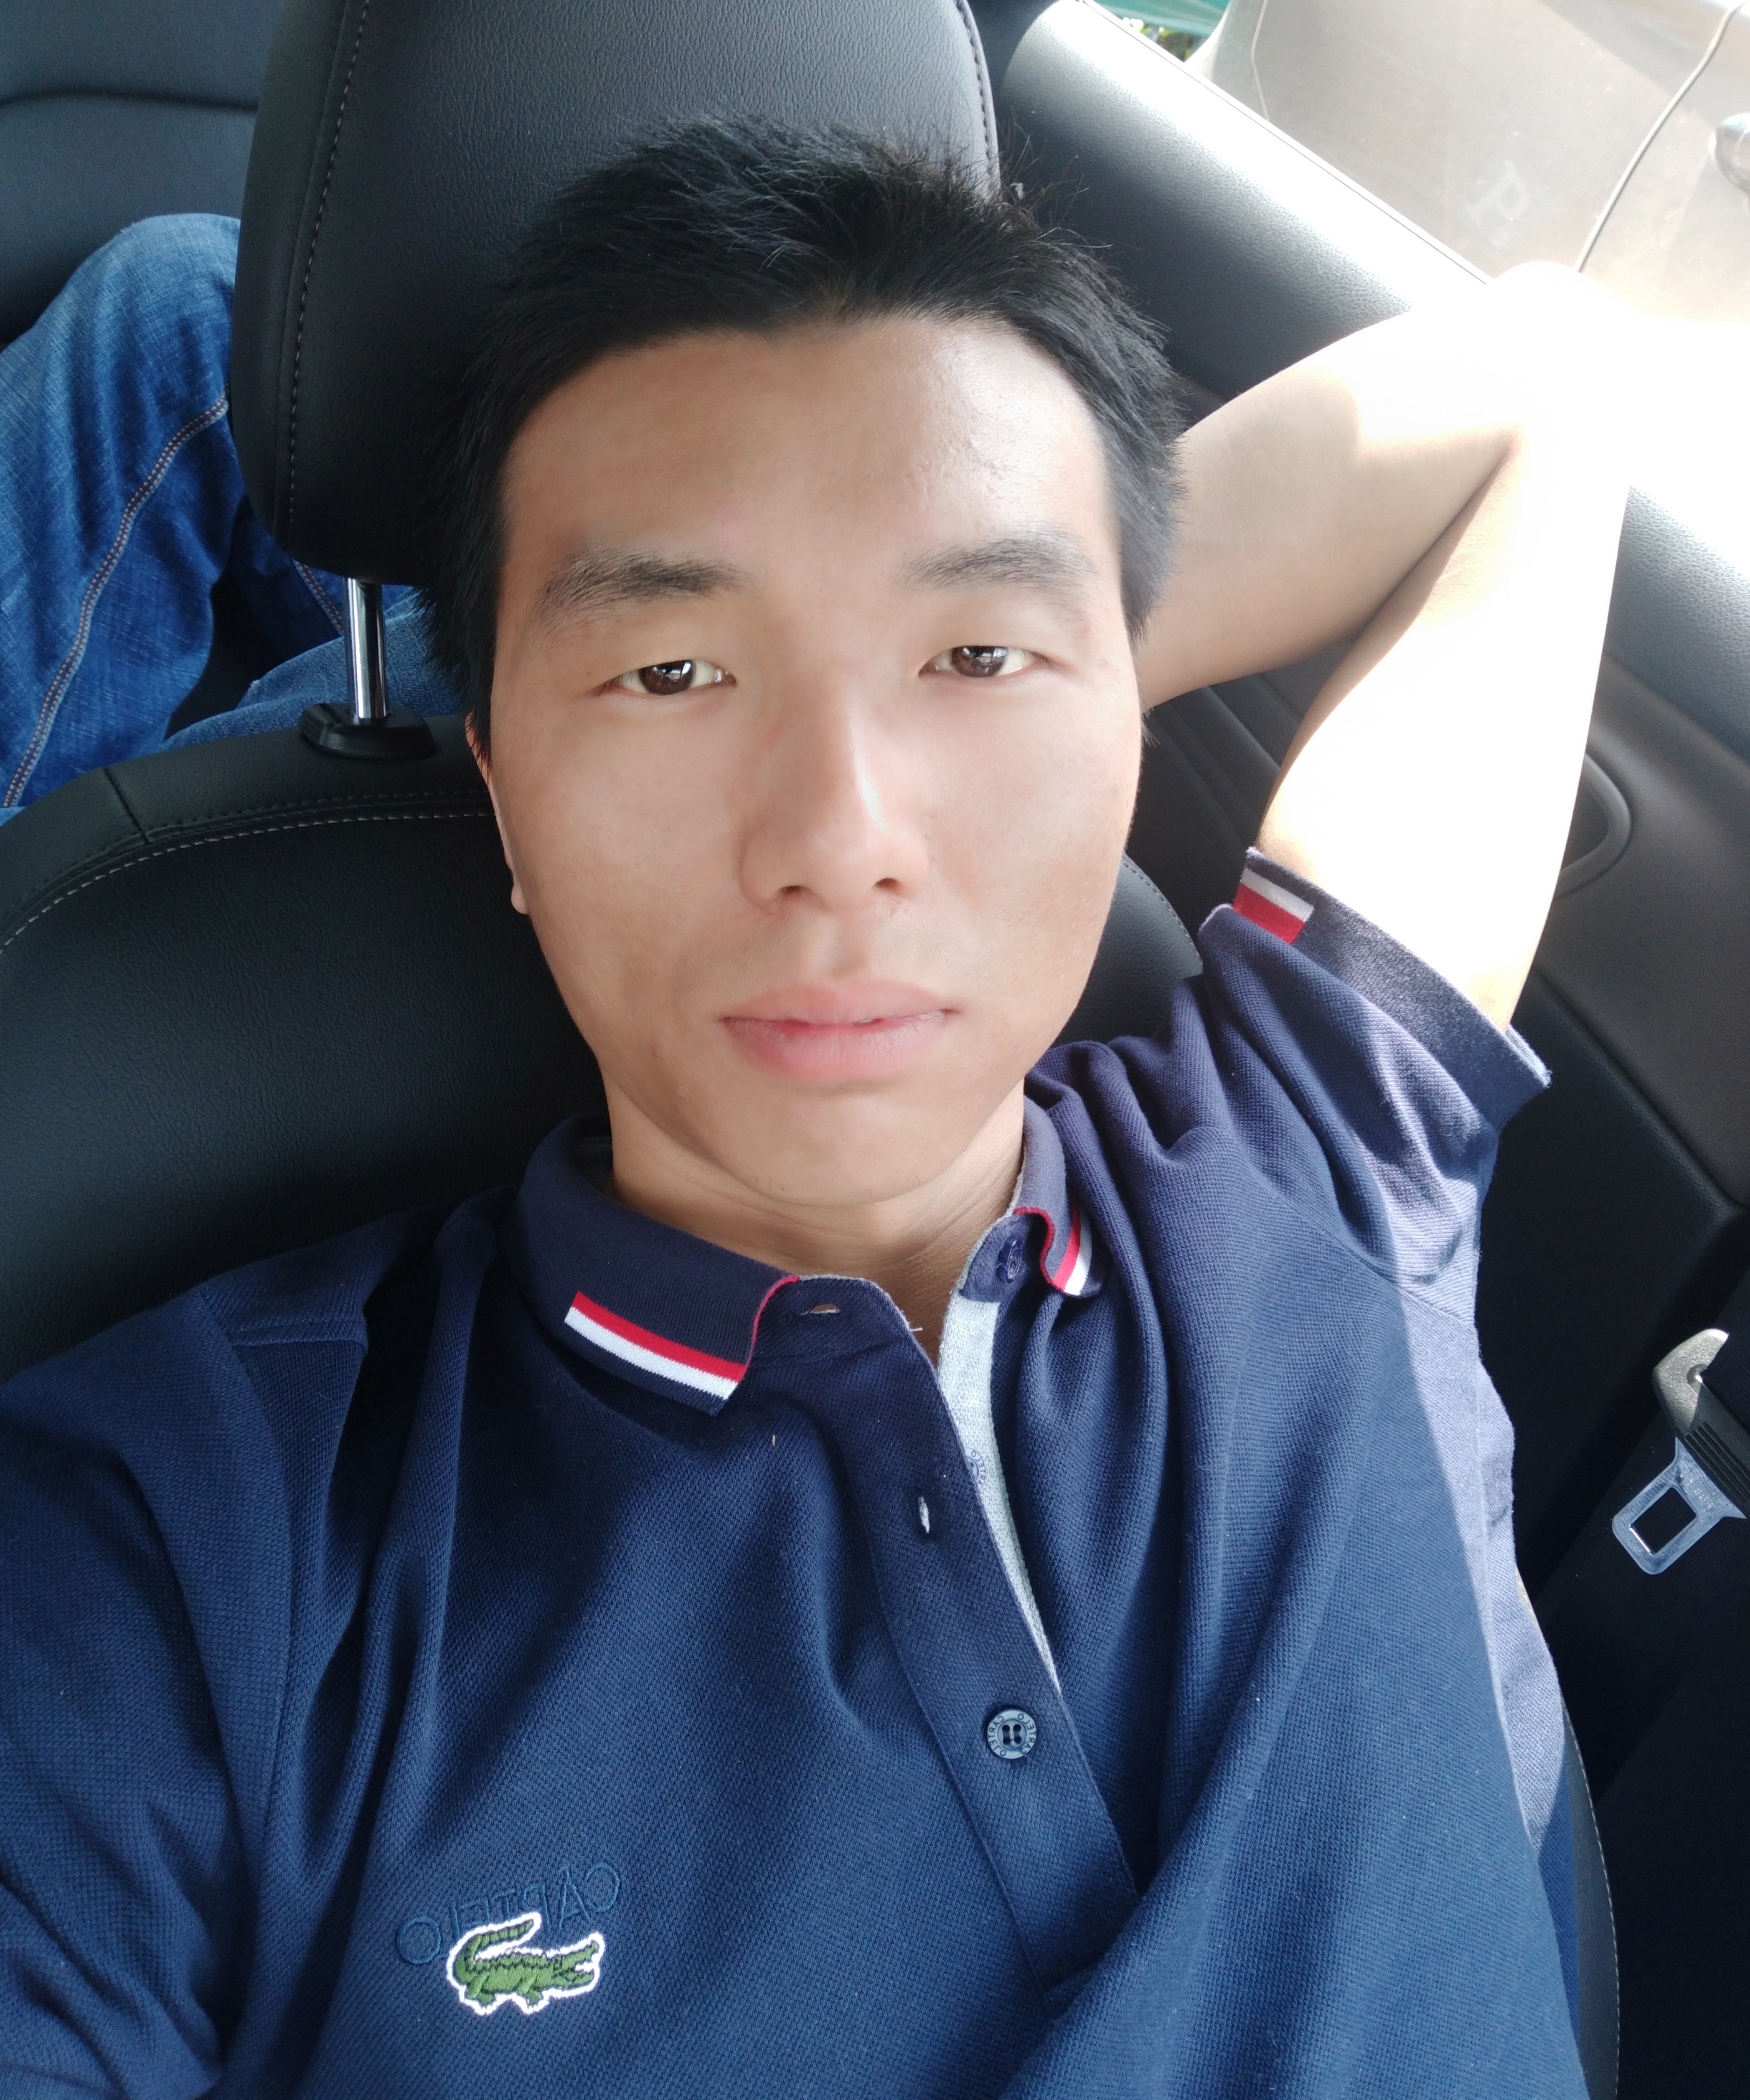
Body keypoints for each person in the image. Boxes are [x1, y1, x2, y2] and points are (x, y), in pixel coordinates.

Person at [0, 122, 1628, 2097]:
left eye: (980, 655)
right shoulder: (178, 1554)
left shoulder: (1323, 1145)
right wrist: (983, 646)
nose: (844, 837)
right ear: (498, 785)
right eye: (670, 670)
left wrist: (1032, 635)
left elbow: (1539, 373)